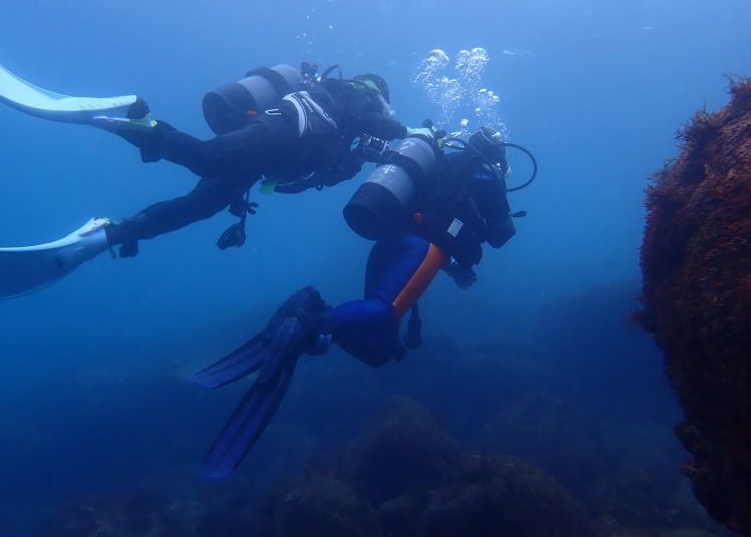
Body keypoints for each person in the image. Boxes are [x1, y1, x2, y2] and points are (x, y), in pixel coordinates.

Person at [0, 37, 437, 300]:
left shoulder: (352, 124)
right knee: (207, 159)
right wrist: (414, 135)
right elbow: (382, 131)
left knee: (198, 207)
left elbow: (327, 167)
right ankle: (131, 121)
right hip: (281, 130)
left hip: (273, 155)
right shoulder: (359, 99)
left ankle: (108, 236)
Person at [193, 127, 530, 478]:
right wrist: (497, 203)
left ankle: (316, 313)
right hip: (422, 251)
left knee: (381, 347)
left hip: (389, 243)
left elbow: (435, 214)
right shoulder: (485, 173)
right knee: (384, 310)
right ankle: (310, 324)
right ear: (497, 155)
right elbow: (501, 235)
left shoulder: (442, 163)